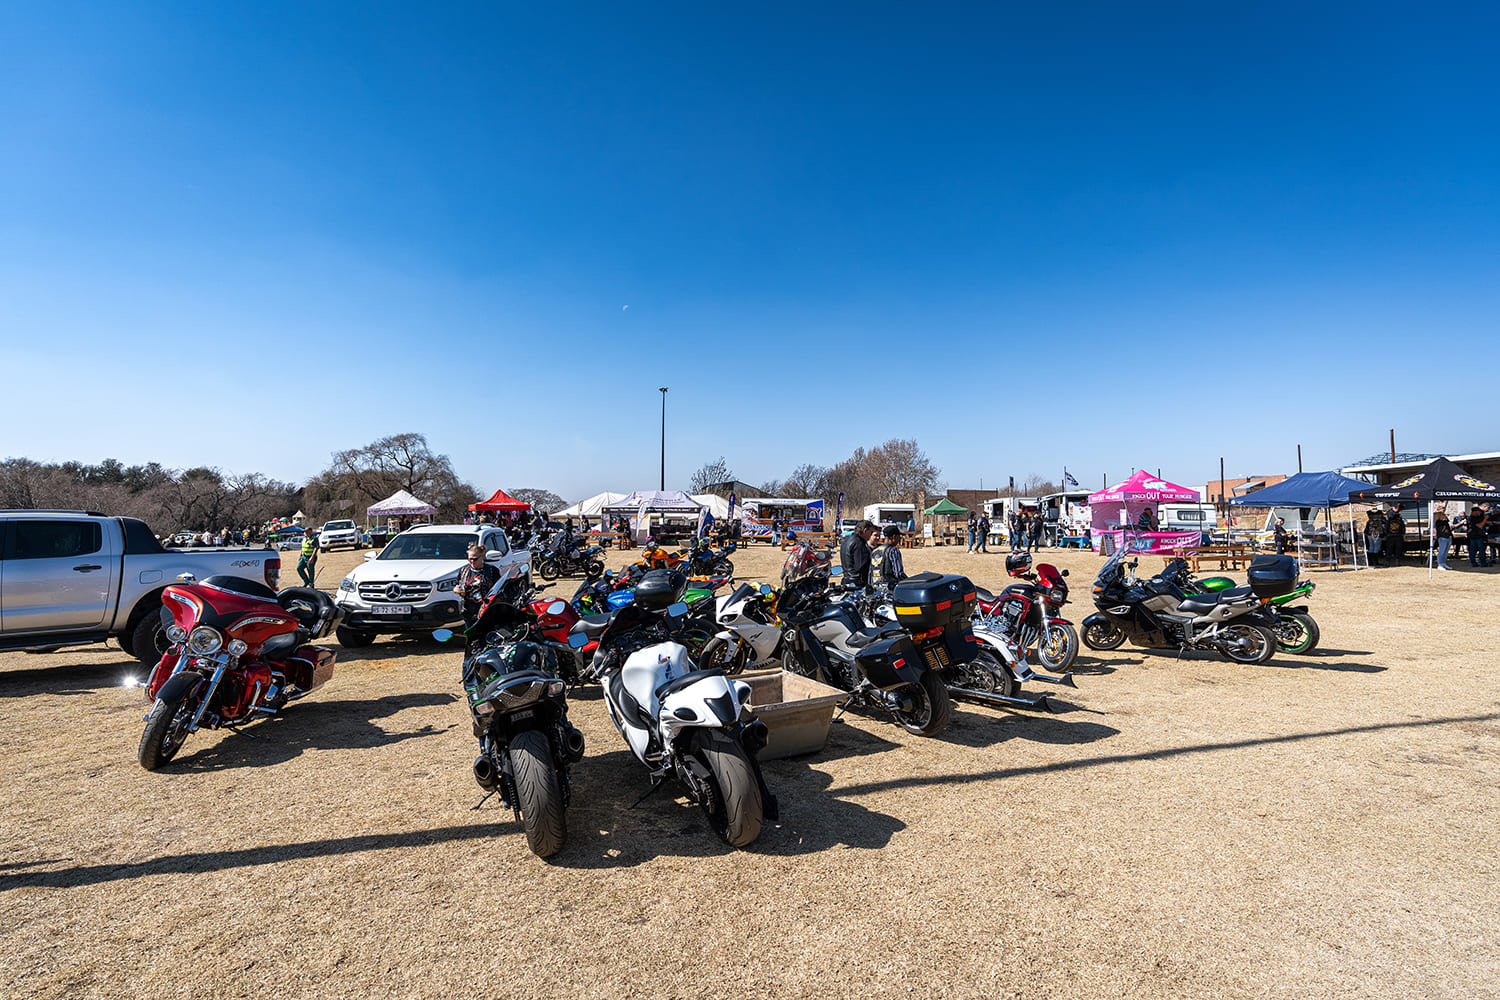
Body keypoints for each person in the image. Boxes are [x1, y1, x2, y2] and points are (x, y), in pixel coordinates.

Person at [455, 543, 502, 658]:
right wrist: (456, 589)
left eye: (475, 559)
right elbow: (457, 585)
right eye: (469, 559)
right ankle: (470, 663)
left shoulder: (492, 571)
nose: (472, 562)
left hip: (486, 612)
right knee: (471, 641)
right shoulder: (464, 571)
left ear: (482, 557)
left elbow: (500, 589)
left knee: (486, 639)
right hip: (468, 611)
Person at [840, 519, 876, 590]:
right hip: (857, 583)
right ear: (865, 530)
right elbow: (860, 566)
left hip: (847, 579)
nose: (870, 535)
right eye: (870, 532)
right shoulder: (859, 543)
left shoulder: (846, 540)